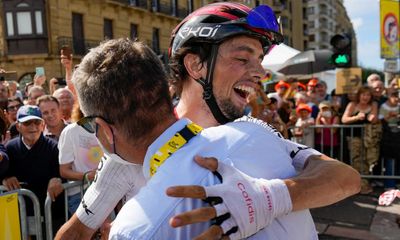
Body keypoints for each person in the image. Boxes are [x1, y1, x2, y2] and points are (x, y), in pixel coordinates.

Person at [55, 3, 360, 239]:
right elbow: (77, 231)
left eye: (260, 60)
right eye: (243, 58)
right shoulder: (129, 145)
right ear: (196, 65)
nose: (261, 73)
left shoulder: (253, 132)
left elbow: (345, 178)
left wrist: (272, 199)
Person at [1, 105, 65, 236]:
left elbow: (63, 170)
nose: (33, 127)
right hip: (20, 213)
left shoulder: (54, 146)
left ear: (43, 125)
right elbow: (3, 168)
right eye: (27, 123)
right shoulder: (10, 148)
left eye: (37, 122)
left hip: (51, 214)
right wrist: (5, 178)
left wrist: (57, 178)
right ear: (18, 126)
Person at [58, 103, 103, 215]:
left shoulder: (109, 128)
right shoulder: (70, 131)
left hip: (107, 192)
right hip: (79, 195)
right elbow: (64, 171)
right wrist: (87, 176)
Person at [342, 86, 379, 194]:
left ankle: (363, 184)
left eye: (368, 95)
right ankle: (360, 186)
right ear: (359, 95)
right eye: (363, 94)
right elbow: (344, 119)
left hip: (369, 138)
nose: (366, 97)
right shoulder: (352, 104)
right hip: (354, 137)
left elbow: (374, 117)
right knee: (357, 160)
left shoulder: (373, 104)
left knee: (368, 160)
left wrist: (373, 117)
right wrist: (356, 117)